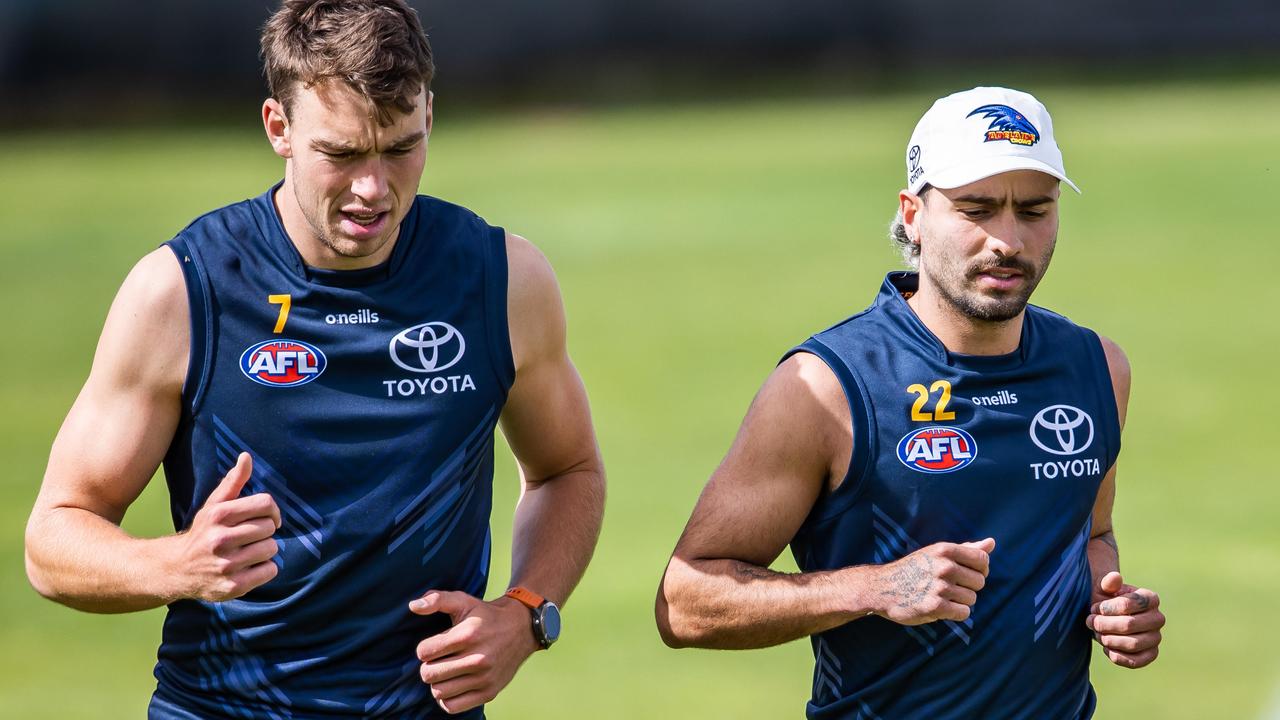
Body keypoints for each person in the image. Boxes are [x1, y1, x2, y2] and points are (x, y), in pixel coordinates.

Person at [24, 1, 605, 717]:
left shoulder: (501, 281)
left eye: (401, 147)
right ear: (280, 129)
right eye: (342, 153)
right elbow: (53, 538)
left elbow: (568, 470)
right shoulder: (182, 291)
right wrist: (174, 564)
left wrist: (525, 610)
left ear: (430, 118)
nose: (373, 189)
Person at [656, 87, 1165, 718]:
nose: (1008, 240)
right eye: (976, 209)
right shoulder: (826, 386)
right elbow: (685, 601)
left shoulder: (1099, 369)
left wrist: (1112, 607)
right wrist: (876, 588)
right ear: (913, 214)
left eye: (1034, 210)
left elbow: (1092, 535)